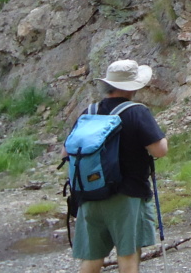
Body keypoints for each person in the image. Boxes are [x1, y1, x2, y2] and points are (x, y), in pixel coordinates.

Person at [65, 60, 168, 273]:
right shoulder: (136, 112)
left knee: (92, 260)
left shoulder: (89, 111)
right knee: (128, 258)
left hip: (89, 195)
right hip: (126, 196)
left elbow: (66, 151)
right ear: (132, 86)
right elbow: (159, 150)